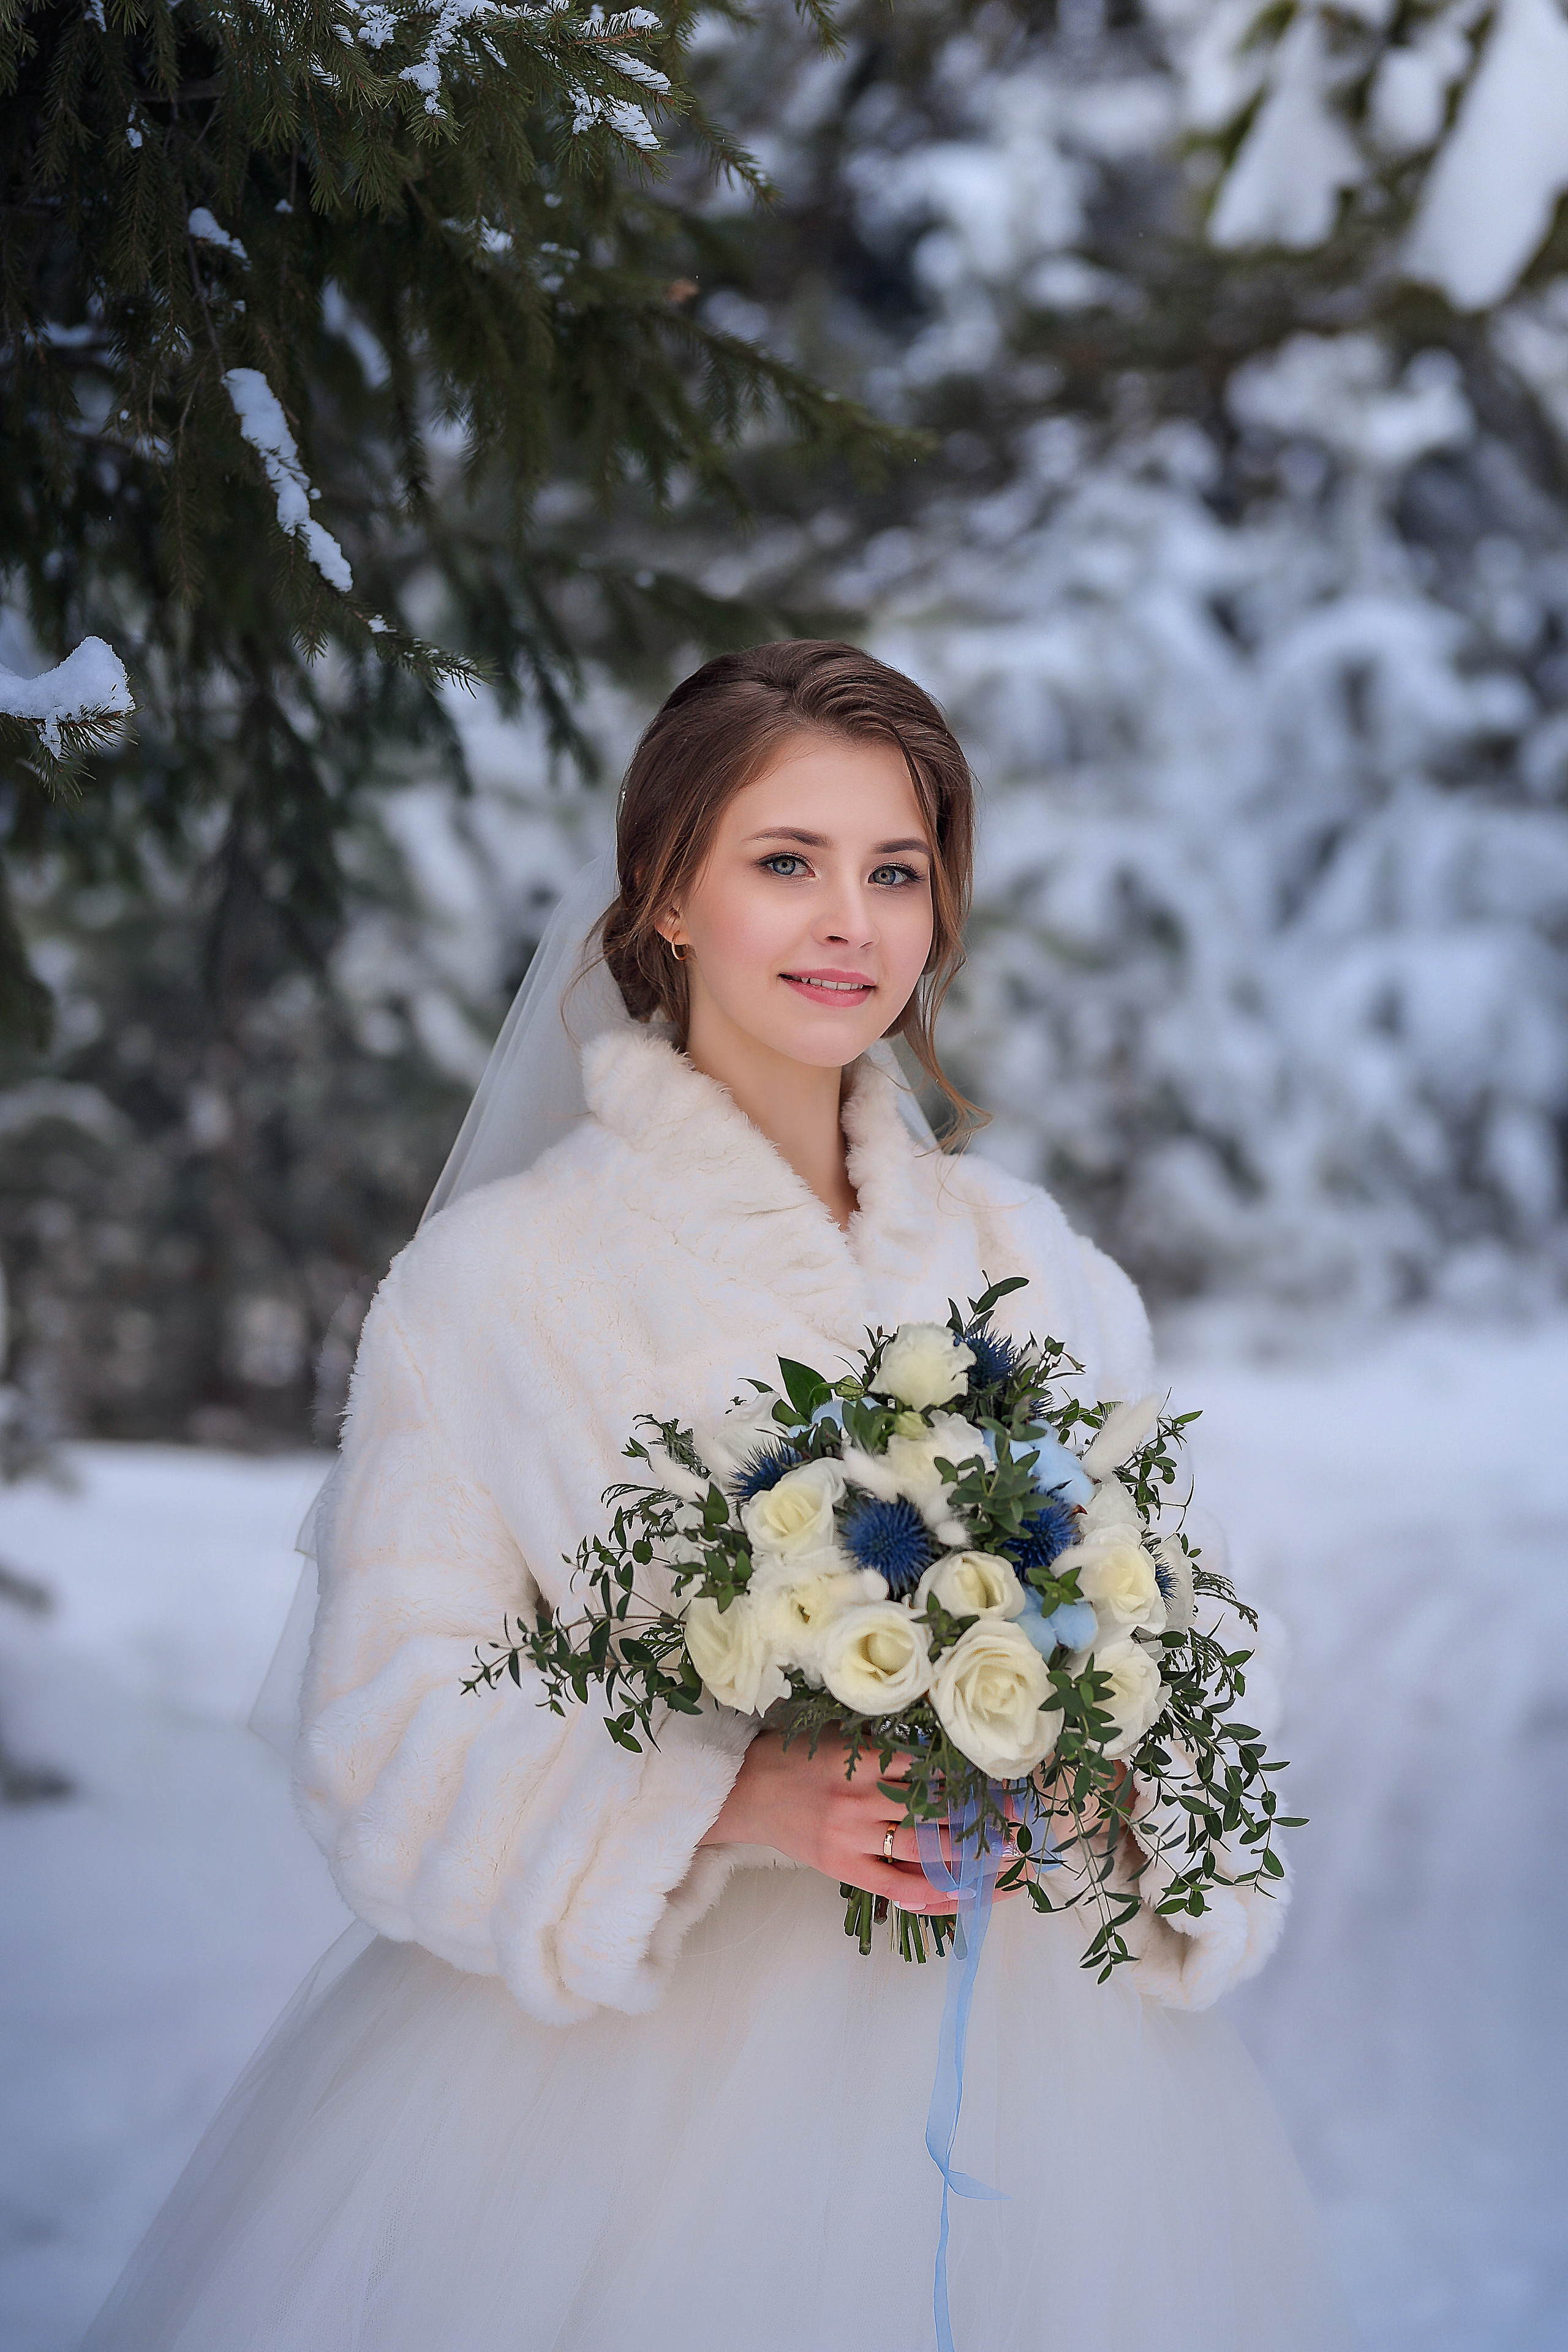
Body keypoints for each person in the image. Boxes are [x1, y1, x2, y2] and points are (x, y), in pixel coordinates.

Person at [81, 641, 1356, 2350]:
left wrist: (1107, 1758)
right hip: (625, 2126)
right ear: (669, 895)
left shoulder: (1036, 1265)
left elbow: (1214, 1636)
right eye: (787, 863)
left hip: (1055, 2100)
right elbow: (382, 1730)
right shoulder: (499, 1288)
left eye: (894, 872)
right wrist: (728, 1800)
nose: (852, 921)